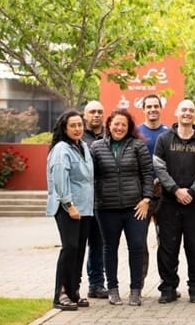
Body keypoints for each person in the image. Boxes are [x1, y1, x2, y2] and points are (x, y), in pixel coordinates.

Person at [90, 108, 154, 306]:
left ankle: (136, 290)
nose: (119, 128)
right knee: (109, 248)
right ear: (109, 125)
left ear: (129, 128)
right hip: (106, 207)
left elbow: (147, 173)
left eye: (123, 125)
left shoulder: (138, 146)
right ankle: (113, 289)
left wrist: (146, 199)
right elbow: (91, 176)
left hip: (135, 207)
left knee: (136, 247)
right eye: (116, 124)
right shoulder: (96, 147)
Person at [153, 99, 195, 304]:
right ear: (176, 113)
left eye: (191, 110)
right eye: (184, 110)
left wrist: (193, 191)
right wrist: (176, 190)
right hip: (169, 202)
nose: (187, 113)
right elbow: (159, 168)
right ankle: (168, 288)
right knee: (168, 247)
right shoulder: (164, 139)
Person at [47, 110, 94, 311]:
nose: (77, 129)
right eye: (72, 125)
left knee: (80, 250)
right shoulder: (61, 149)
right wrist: (69, 205)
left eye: (80, 125)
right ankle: (61, 294)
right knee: (70, 249)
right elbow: (59, 179)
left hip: (85, 208)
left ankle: (74, 291)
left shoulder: (83, 146)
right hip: (68, 208)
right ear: (64, 128)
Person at [136, 94, 170, 285]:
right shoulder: (136, 132)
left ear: (160, 108)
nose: (152, 109)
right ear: (143, 109)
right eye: (148, 106)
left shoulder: (168, 132)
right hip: (142, 196)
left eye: (156, 106)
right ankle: (138, 282)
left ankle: (167, 282)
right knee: (139, 240)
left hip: (164, 194)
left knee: (166, 241)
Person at [82, 101, 108, 300]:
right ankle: (73, 285)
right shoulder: (78, 135)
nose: (96, 115)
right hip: (82, 200)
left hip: (103, 199)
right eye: (92, 112)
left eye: (100, 112)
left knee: (98, 244)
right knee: (78, 244)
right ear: (85, 115)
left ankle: (97, 284)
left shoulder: (111, 134)